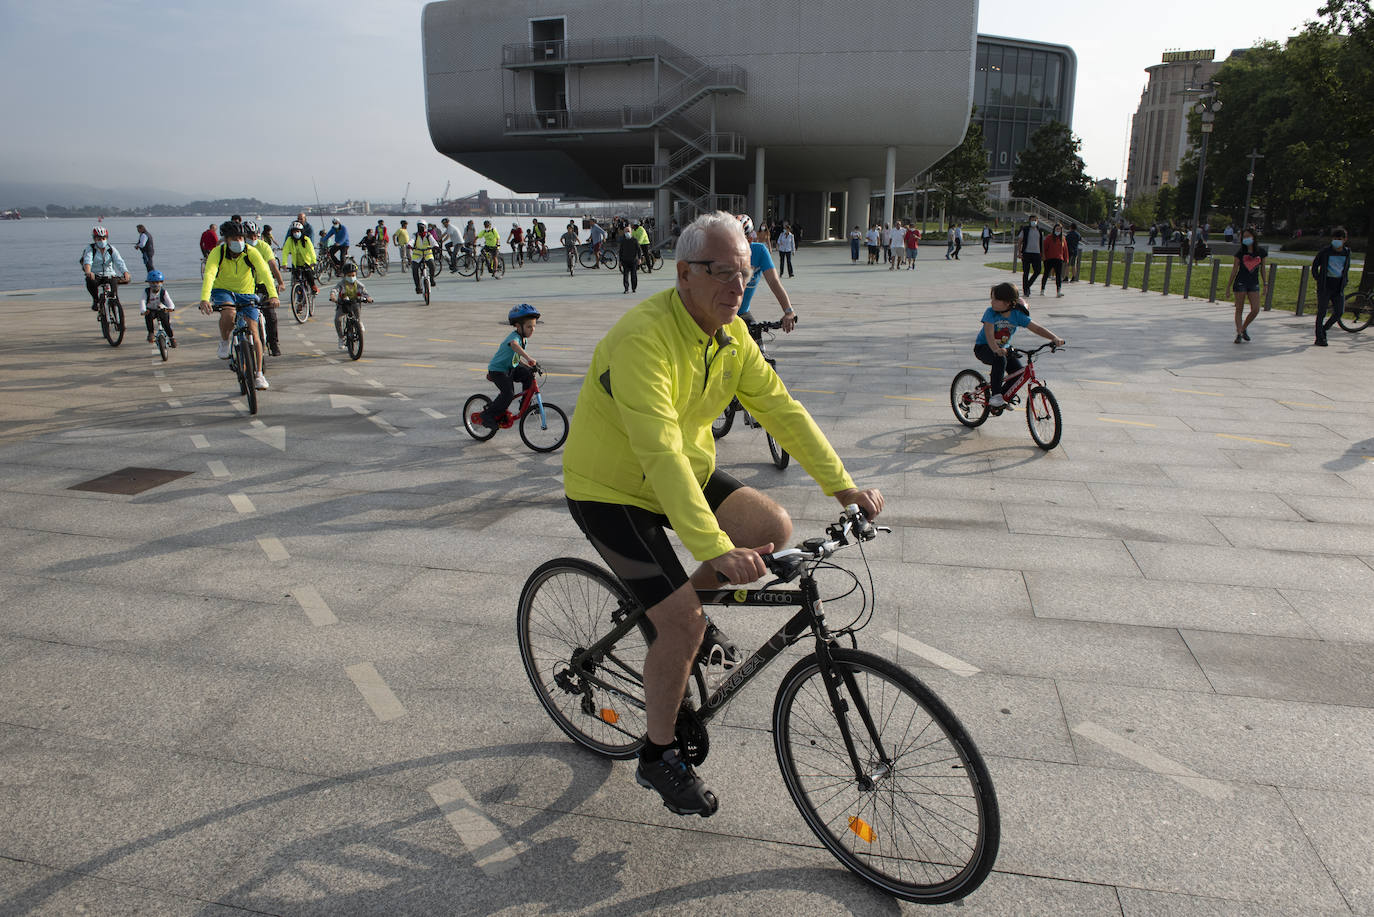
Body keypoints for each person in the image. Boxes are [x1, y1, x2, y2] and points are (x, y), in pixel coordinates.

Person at [561, 210, 883, 817]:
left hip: (683, 468)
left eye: (745, 273)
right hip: (610, 486)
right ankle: (657, 756)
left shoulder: (732, 338)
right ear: (683, 274)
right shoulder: (643, 340)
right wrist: (711, 547)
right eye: (722, 273)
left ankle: (674, 619)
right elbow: (656, 451)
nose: (739, 286)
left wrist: (845, 489)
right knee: (683, 622)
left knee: (771, 528)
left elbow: (784, 411)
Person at [198, 220, 278, 391]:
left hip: (247, 292)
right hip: (223, 290)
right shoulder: (217, 253)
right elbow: (210, 274)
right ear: (226, 239)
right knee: (228, 314)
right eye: (234, 238)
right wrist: (205, 298)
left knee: (254, 331)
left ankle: (258, 374)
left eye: (241, 237)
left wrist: (273, 295)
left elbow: (264, 271)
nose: (239, 241)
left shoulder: (251, 252)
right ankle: (225, 340)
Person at [974, 282, 1065, 410]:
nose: (992, 302)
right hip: (983, 347)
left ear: (1008, 302)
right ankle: (995, 397)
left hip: (1003, 348)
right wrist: (995, 349)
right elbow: (989, 333)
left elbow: (1037, 328)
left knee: (1018, 373)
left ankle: (1003, 397)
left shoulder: (1017, 315)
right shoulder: (991, 313)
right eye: (992, 298)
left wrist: (1054, 338)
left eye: (995, 299)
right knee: (1000, 359)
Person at [477, 304, 540, 428]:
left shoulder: (524, 339)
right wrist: (528, 358)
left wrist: (527, 365)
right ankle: (487, 416)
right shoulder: (514, 337)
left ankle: (524, 405)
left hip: (510, 368)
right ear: (517, 326)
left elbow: (514, 358)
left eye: (534, 326)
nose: (532, 329)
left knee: (528, 375)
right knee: (508, 394)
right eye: (529, 326)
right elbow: (513, 346)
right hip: (498, 370)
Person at [738, 224, 797, 332]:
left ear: (750, 239)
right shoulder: (722, 254)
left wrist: (788, 311)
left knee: (756, 344)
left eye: (739, 240)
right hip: (720, 314)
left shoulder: (759, 251)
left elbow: (773, 281)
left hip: (742, 313)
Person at [243, 220, 285, 356]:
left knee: (271, 315)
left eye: (255, 235)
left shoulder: (264, 247)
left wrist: (280, 282)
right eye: (250, 236)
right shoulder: (239, 249)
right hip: (245, 286)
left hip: (262, 284)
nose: (253, 239)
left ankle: (273, 343)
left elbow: (273, 265)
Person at [1225, 226, 1266, 343]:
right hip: (1240, 282)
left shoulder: (1261, 252)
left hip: (1254, 283)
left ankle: (1243, 328)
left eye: (1248, 236)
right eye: (1244, 237)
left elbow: (1263, 269)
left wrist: (1265, 284)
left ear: (1254, 237)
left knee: (1256, 309)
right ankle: (1238, 333)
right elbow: (1234, 270)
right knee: (1239, 308)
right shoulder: (1240, 253)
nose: (1246, 238)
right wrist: (1228, 286)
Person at [1311, 228, 1352, 347]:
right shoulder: (1325, 251)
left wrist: (1345, 280)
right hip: (1325, 286)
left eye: (1339, 239)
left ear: (1345, 240)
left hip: (1338, 286)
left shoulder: (1347, 252)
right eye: (1334, 239)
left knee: (1339, 312)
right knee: (1322, 312)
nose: (1336, 241)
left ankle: (1324, 329)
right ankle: (1319, 338)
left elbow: (1346, 268)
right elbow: (1315, 266)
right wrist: (1318, 279)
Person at [81, 226, 131, 310]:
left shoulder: (111, 249)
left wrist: (125, 272)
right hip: (96, 275)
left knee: (114, 297)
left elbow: (119, 261)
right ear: (94, 239)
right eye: (99, 239)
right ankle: (96, 300)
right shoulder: (90, 249)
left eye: (103, 238)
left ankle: (119, 319)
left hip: (110, 275)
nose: (101, 241)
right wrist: (88, 272)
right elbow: (87, 261)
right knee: (89, 280)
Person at [329, 265, 372, 351]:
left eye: (353, 275)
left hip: (355, 303)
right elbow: (335, 290)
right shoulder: (341, 284)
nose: (351, 277)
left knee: (357, 314)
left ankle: (359, 323)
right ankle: (341, 338)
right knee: (337, 320)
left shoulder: (359, 284)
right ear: (344, 276)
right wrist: (333, 296)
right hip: (343, 305)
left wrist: (368, 298)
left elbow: (365, 293)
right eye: (349, 276)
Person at [282, 221, 319, 295]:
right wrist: (284, 263)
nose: (296, 233)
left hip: (306, 263)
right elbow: (285, 252)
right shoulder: (290, 240)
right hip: (296, 263)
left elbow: (311, 251)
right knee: (297, 279)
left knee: (309, 275)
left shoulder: (306, 240)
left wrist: (313, 261)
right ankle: (299, 298)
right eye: (294, 231)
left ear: (301, 232)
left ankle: (314, 287)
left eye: (298, 231)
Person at [140, 270, 176, 347]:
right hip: (151, 310)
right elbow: (143, 301)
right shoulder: (146, 291)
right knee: (148, 316)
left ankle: (171, 338)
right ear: (149, 283)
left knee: (166, 324)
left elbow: (169, 301)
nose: (155, 285)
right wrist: (143, 310)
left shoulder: (163, 292)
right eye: (152, 283)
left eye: (157, 282)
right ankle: (151, 333)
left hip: (162, 309)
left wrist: (171, 308)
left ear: (161, 282)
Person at [1015, 217, 1045, 296]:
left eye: (1035, 220)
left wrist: (1043, 254)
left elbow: (1041, 243)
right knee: (1026, 272)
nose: (1034, 222)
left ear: (1037, 221)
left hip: (1037, 253)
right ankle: (1026, 290)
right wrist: (1019, 252)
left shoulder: (1040, 230)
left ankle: (1027, 286)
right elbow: (1020, 241)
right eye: (1032, 220)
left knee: (1038, 271)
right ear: (1029, 221)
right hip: (1026, 253)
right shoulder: (1025, 230)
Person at [1041, 222, 1068, 297]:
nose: (1058, 230)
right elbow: (1044, 247)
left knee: (1058, 275)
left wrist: (1066, 259)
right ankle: (1042, 289)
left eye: (1059, 229)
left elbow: (1065, 249)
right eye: (1057, 229)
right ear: (1054, 229)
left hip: (1059, 259)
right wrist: (1043, 256)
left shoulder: (1063, 239)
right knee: (1046, 274)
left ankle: (1058, 291)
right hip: (1049, 259)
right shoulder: (1049, 237)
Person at [411, 219, 439, 292]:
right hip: (417, 256)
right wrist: (409, 245)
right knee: (414, 270)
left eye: (422, 226)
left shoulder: (428, 235)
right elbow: (412, 240)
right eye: (419, 226)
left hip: (427, 255)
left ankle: (432, 278)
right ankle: (418, 287)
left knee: (432, 266)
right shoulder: (415, 235)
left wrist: (436, 246)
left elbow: (433, 242)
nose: (421, 228)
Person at [618, 224, 641, 293]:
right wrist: (620, 261)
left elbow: (639, 250)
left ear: (631, 232)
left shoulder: (634, 240)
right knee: (625, 275)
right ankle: (626, 289)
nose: (627, 233)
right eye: (626, 231)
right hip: (625, 260)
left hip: (633, 260)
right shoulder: (623, 241)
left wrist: (639, 258)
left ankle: (634, 288)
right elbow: (620, 251)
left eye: (628, 231)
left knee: (634, 275)